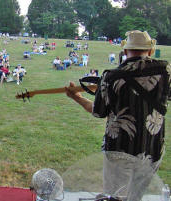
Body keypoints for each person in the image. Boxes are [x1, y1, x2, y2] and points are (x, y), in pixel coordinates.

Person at [65, 31, 171, 200]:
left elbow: (98, 111)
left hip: (120, 149)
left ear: (125, 51)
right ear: (150, 50)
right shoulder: (165, 71)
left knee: (115, 196)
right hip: (152, 147)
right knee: (136, 196)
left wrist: (76, 97)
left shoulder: (111, 76)